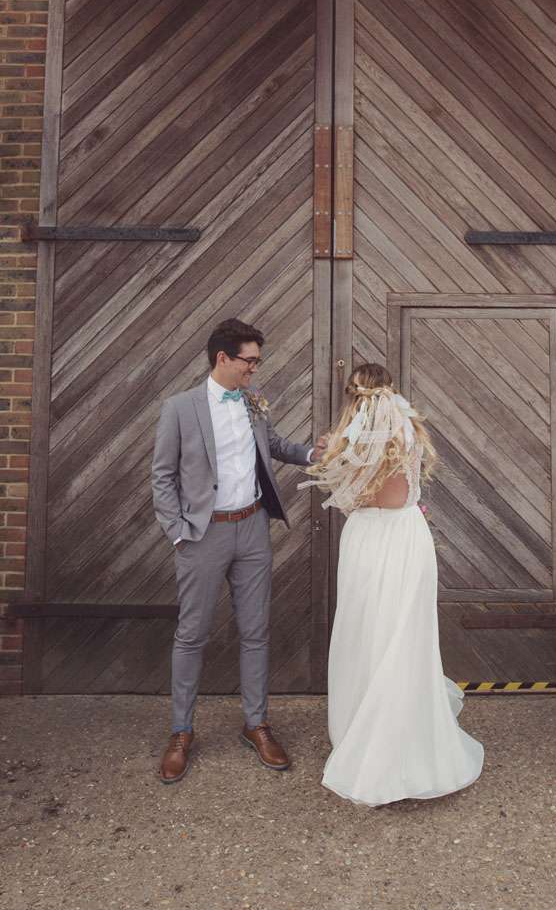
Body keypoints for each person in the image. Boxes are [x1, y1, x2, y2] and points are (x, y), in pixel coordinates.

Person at [300, 363, 484, 806]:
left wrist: (332, 454)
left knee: (366, 632)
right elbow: (406, 491)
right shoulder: (408, 431)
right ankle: (408, 736)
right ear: (391, 391)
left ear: (353, 397)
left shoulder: (352, 440)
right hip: (406, 536)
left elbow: (351, 500)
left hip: (368, 537)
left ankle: (365, 735)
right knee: (405, 635)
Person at [151, 318, 326, 784]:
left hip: (252, 529)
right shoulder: (179, 408)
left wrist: (314, 454)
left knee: (256, 631)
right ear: (222, 358)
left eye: (257, 361)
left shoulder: (252, 401)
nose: (255, 368)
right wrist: (178, 532)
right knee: (192, 634)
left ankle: (256, 724)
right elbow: (162, 475)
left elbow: (274, 446)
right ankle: (181, 732)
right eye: (250, 361)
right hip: (202, 535)